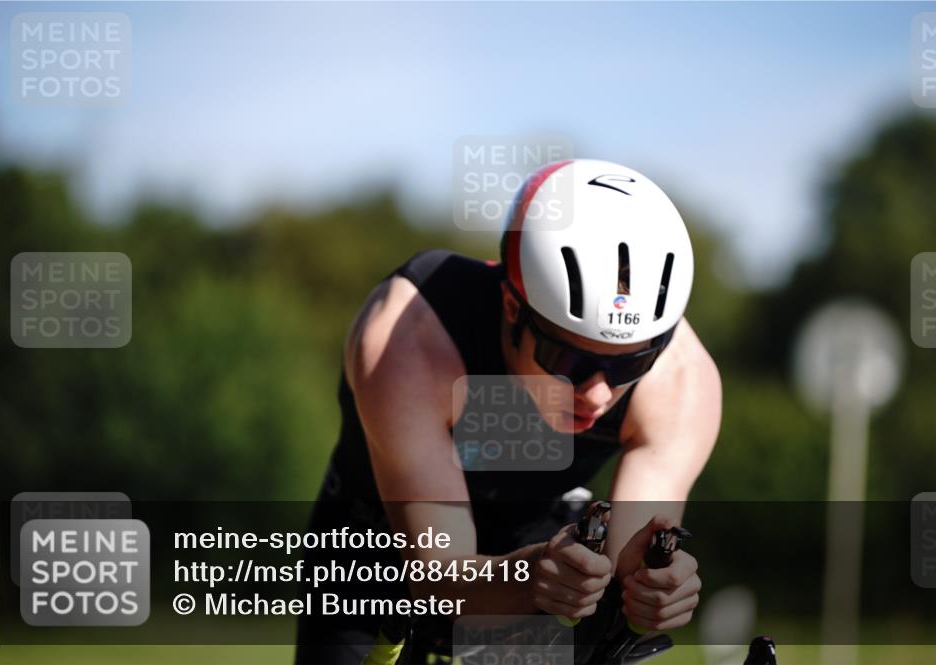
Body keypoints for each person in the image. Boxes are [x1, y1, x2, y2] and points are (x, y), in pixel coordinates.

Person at [295, 159, 722, 664]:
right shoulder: (406, 338)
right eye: (570, 360)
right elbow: (438, 577)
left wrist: (650, 592)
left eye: (632, 363)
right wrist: (532, 573)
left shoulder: (679, 378)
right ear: (513, 307)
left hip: (543, 542)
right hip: (378, 551)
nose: (599, 394)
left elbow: (626, 569)